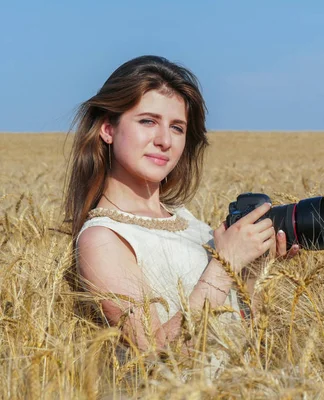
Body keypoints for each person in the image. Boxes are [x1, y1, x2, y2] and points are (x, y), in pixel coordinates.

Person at [64, 55, 299, 351]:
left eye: (177, 127)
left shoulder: (189, 222)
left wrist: (250, 273)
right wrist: (226, 266)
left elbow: (239, 338)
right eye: (148, 121)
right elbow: (153, 354)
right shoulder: (102, 238)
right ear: (107, 129)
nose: (165, 140)